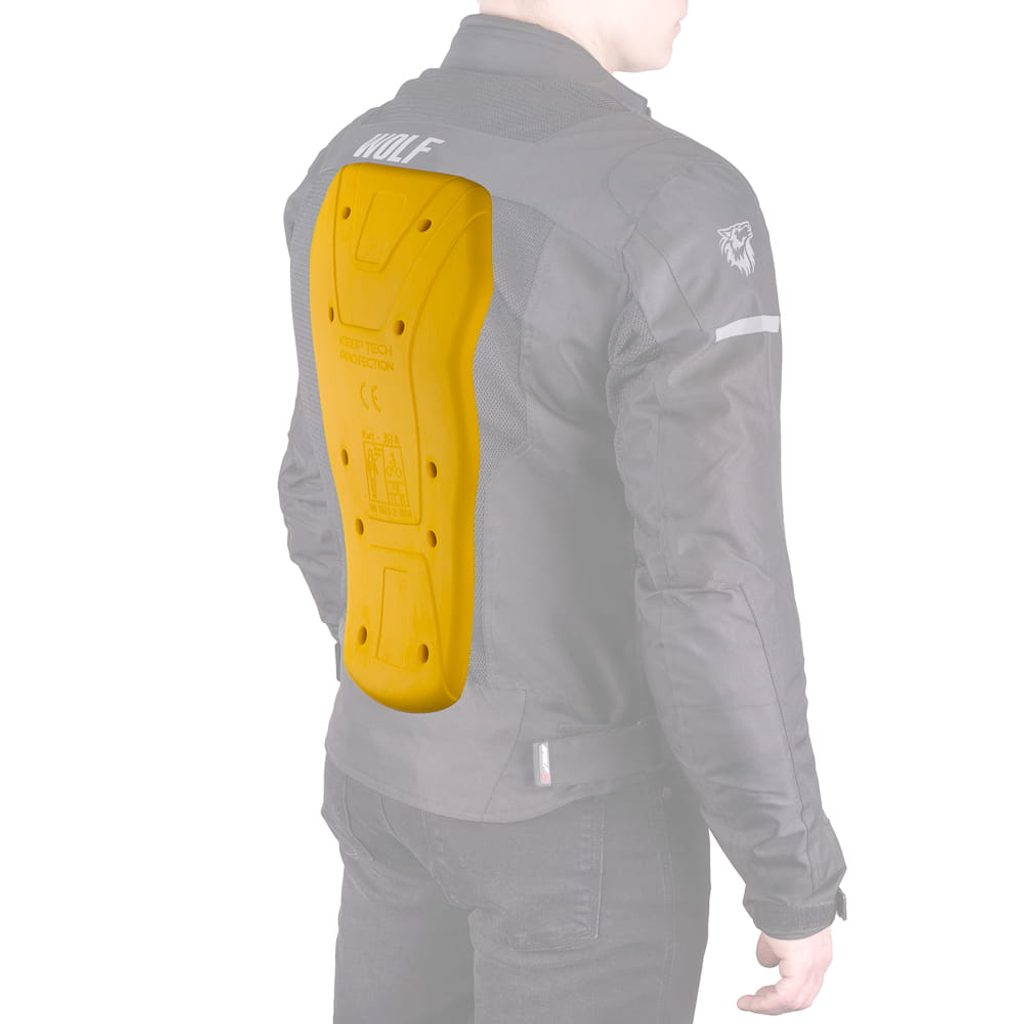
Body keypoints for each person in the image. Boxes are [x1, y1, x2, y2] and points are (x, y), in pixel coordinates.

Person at [278, 2, 847, 1020]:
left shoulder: (351, 160)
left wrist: (438, 709)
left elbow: (316, 488)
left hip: (382, 778)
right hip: (578, 826)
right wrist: (790, 871)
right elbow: (713, 584)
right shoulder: (671, 202)